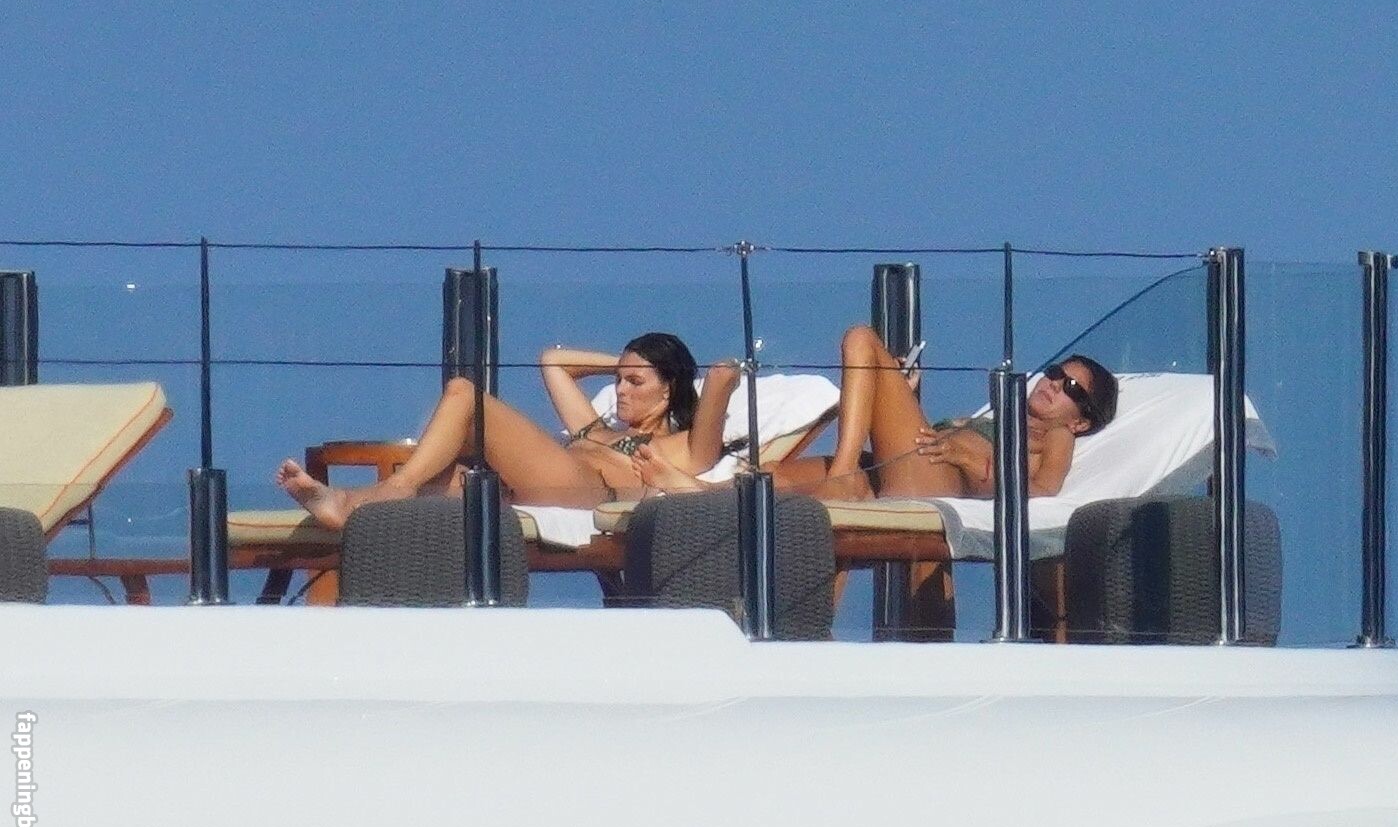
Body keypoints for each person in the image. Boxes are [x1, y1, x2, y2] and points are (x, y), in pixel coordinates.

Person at [278, 332, 739, 528]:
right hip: (533, 484)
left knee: (464, 395)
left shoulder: (677, 446)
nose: (619, 389)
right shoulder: (594, 429)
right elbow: (553, 361)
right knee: (444, 478)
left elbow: (719, 386)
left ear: (669, 388)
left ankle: (393, 489)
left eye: (634, 382)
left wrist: (710, 377)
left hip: (588, 491)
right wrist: (626, 364)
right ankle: (346, 504)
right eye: (618, 379)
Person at [636, 324, 1117, 501]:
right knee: (777, 476)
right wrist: (900, 399)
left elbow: (1044, 488)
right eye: (1056, 372)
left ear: (1081, 420)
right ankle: (700, 493)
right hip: (907, 467)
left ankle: (845, 473)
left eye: (1071, 388)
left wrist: (971, 461)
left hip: (936, 480)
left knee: (861, 340)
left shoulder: (1058, 436)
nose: (1054, 384)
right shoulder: (999, 415)